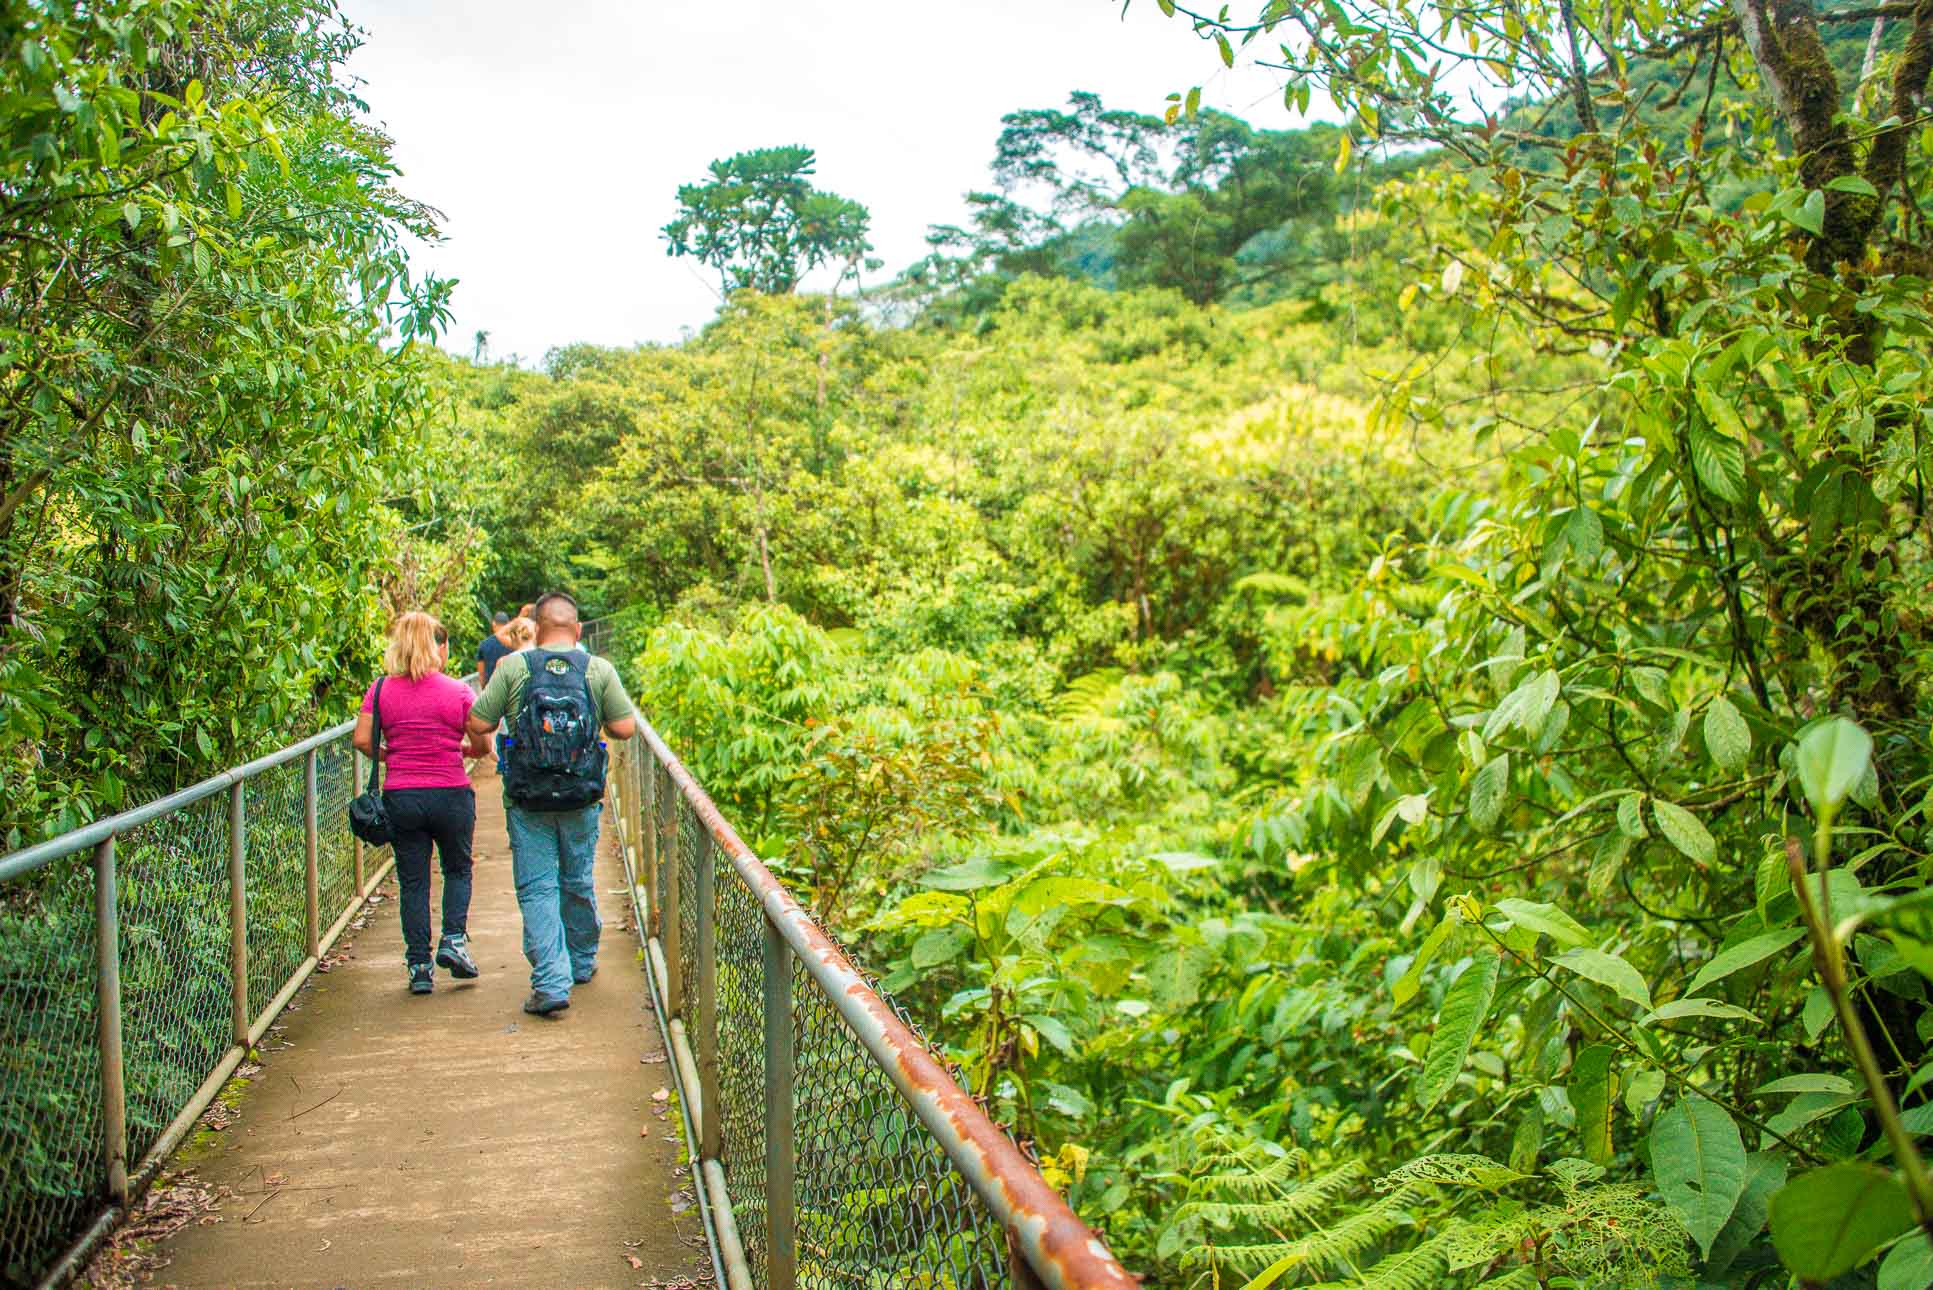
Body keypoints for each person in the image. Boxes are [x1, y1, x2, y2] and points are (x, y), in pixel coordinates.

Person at [467, 592, 639, 1017]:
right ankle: (580, 962)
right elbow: (625, 728)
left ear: (537, 630)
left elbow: (479, 722)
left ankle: (551, 980)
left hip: (528, 797)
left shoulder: (512, 667)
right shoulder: (598, 669)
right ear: (578, 631)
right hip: (581, 795)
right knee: (577, 878)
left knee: (537, 886)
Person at [354, 612, 491, 996]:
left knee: (413, 880)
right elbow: (483, 745)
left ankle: (418, 966)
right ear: (436, 647)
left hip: (403, 795)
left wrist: (392, 754)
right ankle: (454, 941)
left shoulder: (380, 689)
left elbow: (363, 741)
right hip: (450, 792)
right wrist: (459, 747)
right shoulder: (458, 692)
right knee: (457, 869)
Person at [475, 611, 514, 688]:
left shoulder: (484, 644)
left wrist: (484, 691)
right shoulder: (514, 644)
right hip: (510, 689)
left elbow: (481, 673)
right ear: (508, 624)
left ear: (493, 624)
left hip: (491, 689)